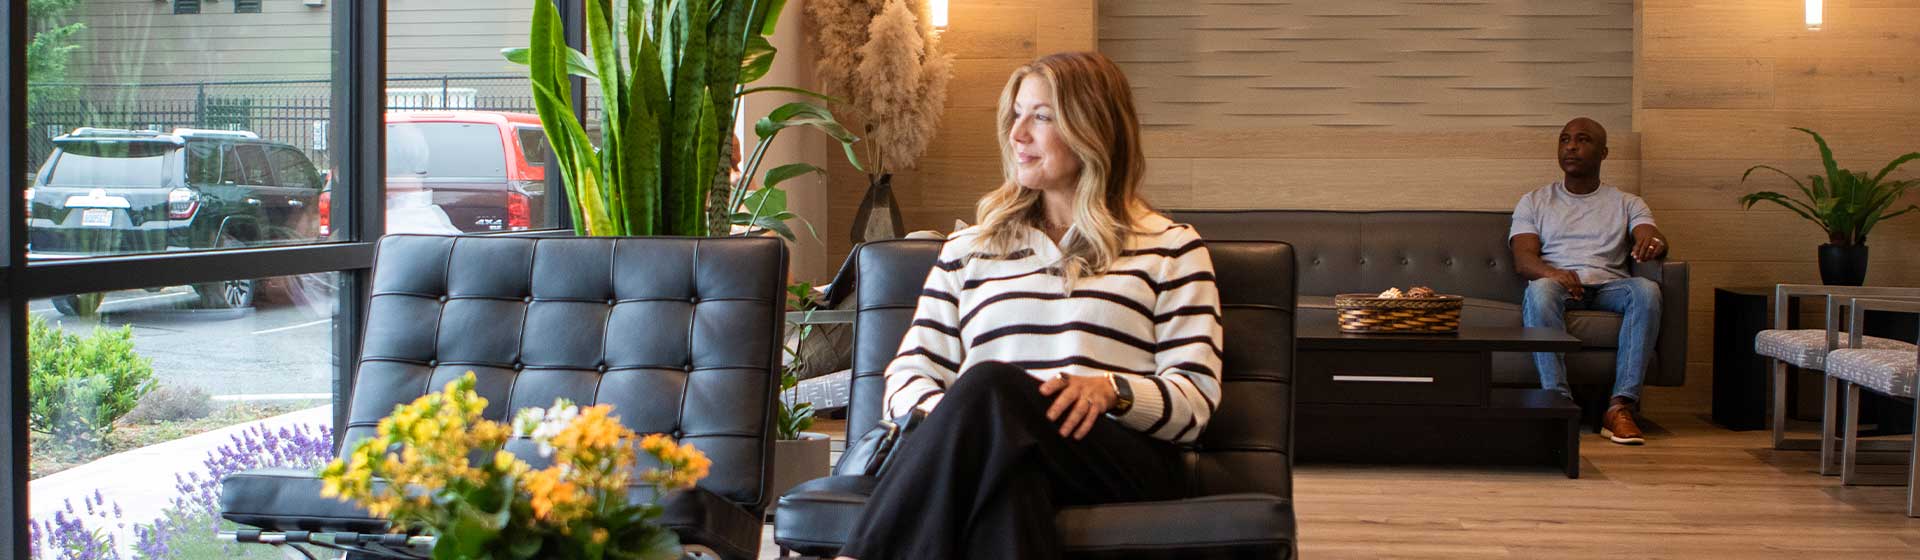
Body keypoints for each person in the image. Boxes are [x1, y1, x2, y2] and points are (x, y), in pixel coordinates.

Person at [834, 51, 1223, 560]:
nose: (1018, 134)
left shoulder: (1171, 248)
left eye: (1041, 116)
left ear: (1095, 129)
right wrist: (957, 425)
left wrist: (1112, 391)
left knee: (991, 386)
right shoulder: (968, 250)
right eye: (1016, 114)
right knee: (1006, 466)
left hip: (1114, 457)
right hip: (999, 451)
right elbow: (910, 373)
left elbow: (1193, 403)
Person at [1509, 117, 1668, 446]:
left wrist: (1653, 241)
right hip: (1559, 287)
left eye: (1582, 140)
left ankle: (1620, 406)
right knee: (1539, 290)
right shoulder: (1535, 201)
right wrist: (1554, 274)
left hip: (1611, 287)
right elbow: (1524, 260)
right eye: (1565, 139)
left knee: (1647, 290)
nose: (1571, 146)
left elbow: (1647, 232)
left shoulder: (1627, 202)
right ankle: (1558, 400)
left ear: (1604, 152)